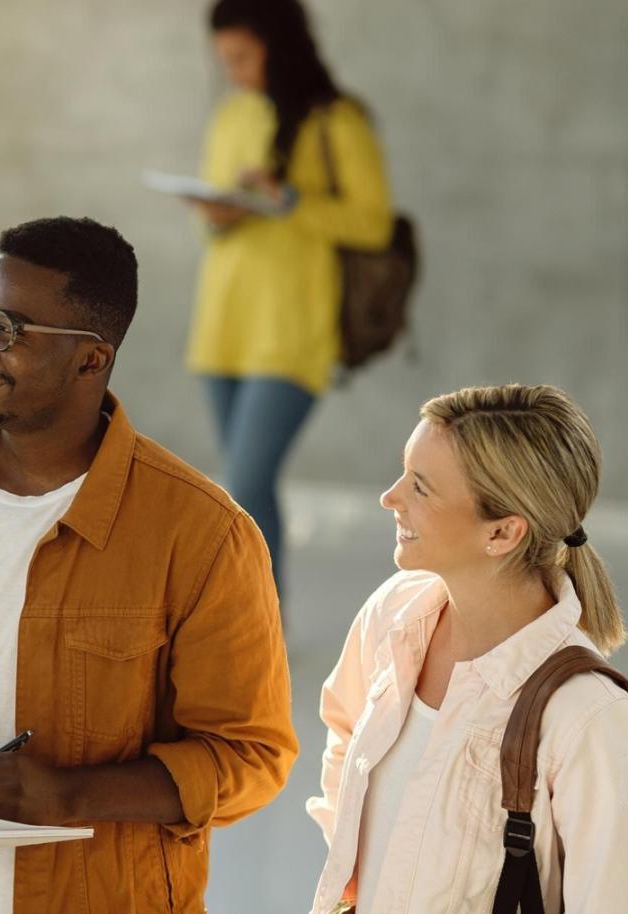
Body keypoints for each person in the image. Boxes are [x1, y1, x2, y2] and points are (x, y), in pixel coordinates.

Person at [0, 216, 297, 914]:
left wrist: (68, 795)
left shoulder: (202, 533)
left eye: (8, 329)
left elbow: (249, 757)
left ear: (90, 360)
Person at [307, 384, 628, 914]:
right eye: (403, 471)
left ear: (502, 532)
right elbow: (344, 734)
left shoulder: (590, 721)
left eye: (421, 488)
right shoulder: (393, 616)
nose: (390, 497)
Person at [187, 0, 394, 597]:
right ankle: (262, 625)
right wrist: (220, 215)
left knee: (246, 482)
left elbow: (374, 224)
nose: (231, 70)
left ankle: (255, 630)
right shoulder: (231, 116)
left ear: (280, 46)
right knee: (245, 490)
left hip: (292, 329)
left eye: (242, 56)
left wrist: (291, 200)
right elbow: (209, 225)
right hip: (223, 323)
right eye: (223, 59)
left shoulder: (339, 121)